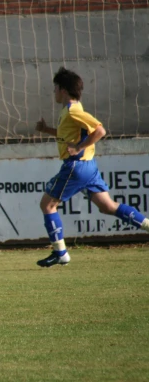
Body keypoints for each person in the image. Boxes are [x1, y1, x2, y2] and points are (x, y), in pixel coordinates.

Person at [35, 67, 149, 267]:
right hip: (89, 167)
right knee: (108, 207)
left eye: (55, 88)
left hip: (76, 166)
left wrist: (79, 147)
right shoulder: (69, 111)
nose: (53, 92)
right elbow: (67, 136)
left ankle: (60, 253)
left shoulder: (73, 110)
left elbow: (100, 130)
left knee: (47, 205)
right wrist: (46, 130)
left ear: (63, 89)